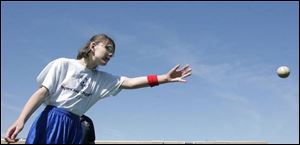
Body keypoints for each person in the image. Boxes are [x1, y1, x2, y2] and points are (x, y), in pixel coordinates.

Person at [5, 34, 192, 144]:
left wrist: (165, 79)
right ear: (93, 46)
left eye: (114, 53)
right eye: (108, 48)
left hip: (74, 126)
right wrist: (21, 120)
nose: (111, 54)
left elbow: (131, 82)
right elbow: (42, 93)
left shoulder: (102, 79)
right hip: (52, 119)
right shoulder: (63, 64)